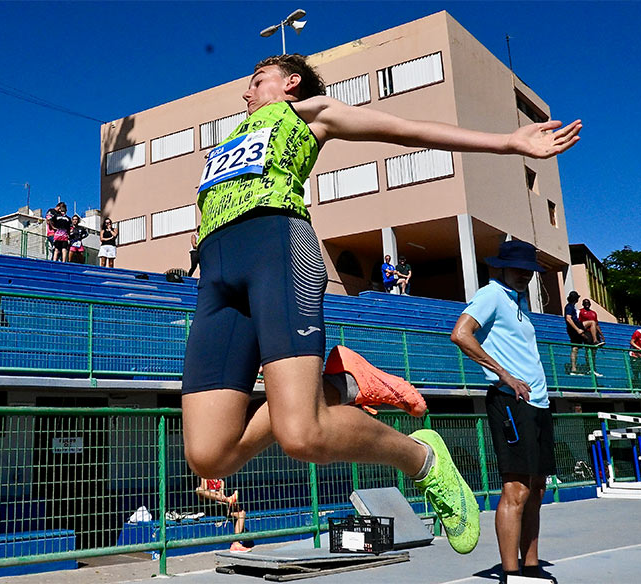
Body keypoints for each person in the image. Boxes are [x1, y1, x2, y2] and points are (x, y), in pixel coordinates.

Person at [182, 54, 579, 558]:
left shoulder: (309, 113)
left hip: (277, 249)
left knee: (301, 435)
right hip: (216, 275)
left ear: (291, 83)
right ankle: (336, 385)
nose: (246, 92)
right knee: (209, 456)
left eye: (257, 80)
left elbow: (404, 130)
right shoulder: (228, 143)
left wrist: (507, 143)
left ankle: (422, 459)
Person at [450, 240, 558, 583]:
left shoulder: (519, 302)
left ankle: (531, 566)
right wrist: (504, 374)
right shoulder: (492, 294)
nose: (525, 274)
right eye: (518, 268)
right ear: (501, 267)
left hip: (537, 401)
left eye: (529, 269)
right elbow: (461, 334)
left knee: (537, 488)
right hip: (510, 401)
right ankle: (511, 574)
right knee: (517, 489)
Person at [194, 477, 254, 552]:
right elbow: (202, 493)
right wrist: (219, 496)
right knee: (199, 490)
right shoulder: (205, 478)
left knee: (241, 513)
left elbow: (221, 495)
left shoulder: (221, 481)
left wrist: (229, 502)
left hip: (218, 506)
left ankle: (236, 543)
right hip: (206, 506)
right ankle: (228, 499)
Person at [564, 291, 590, 376]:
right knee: (575, 347)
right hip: (574, 329)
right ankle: (573, 368)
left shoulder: (572, 307)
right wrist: (577, 329)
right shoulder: (569, 307)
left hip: (577, 327)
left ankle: (593, 340)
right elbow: (568, 318)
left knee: (591, 324)